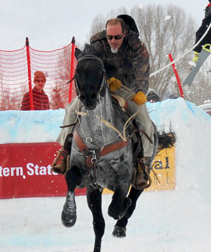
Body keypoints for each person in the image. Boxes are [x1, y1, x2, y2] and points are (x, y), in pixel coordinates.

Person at [52, 15, 157, 189]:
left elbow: (142, 73)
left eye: (117, 37)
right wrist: (104, 80)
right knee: (71, 110)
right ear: (105, 34)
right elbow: (89, 64)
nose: (113, 41)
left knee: (144, 120)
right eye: (110, 37)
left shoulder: (138, 48)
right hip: (99, 87)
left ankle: (142, 163)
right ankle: (64, 153)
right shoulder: (97, 43)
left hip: (127, 88)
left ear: (125, 34)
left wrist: (139, 92)